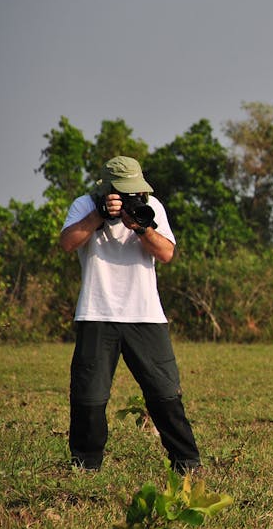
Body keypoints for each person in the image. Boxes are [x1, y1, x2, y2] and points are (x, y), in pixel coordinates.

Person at [60, 155, 201, 473]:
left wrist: (141, 227)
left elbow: (166, 253)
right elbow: (68, 243)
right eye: (121, 192)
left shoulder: (152, 206)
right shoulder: (85, 204)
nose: (127, 197)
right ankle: (85, 466)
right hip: (96, 312)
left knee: (165, 393)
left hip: (145, 313)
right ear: (106, 188)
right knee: (89, 397)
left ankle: (187, 463)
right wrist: (99, 215)